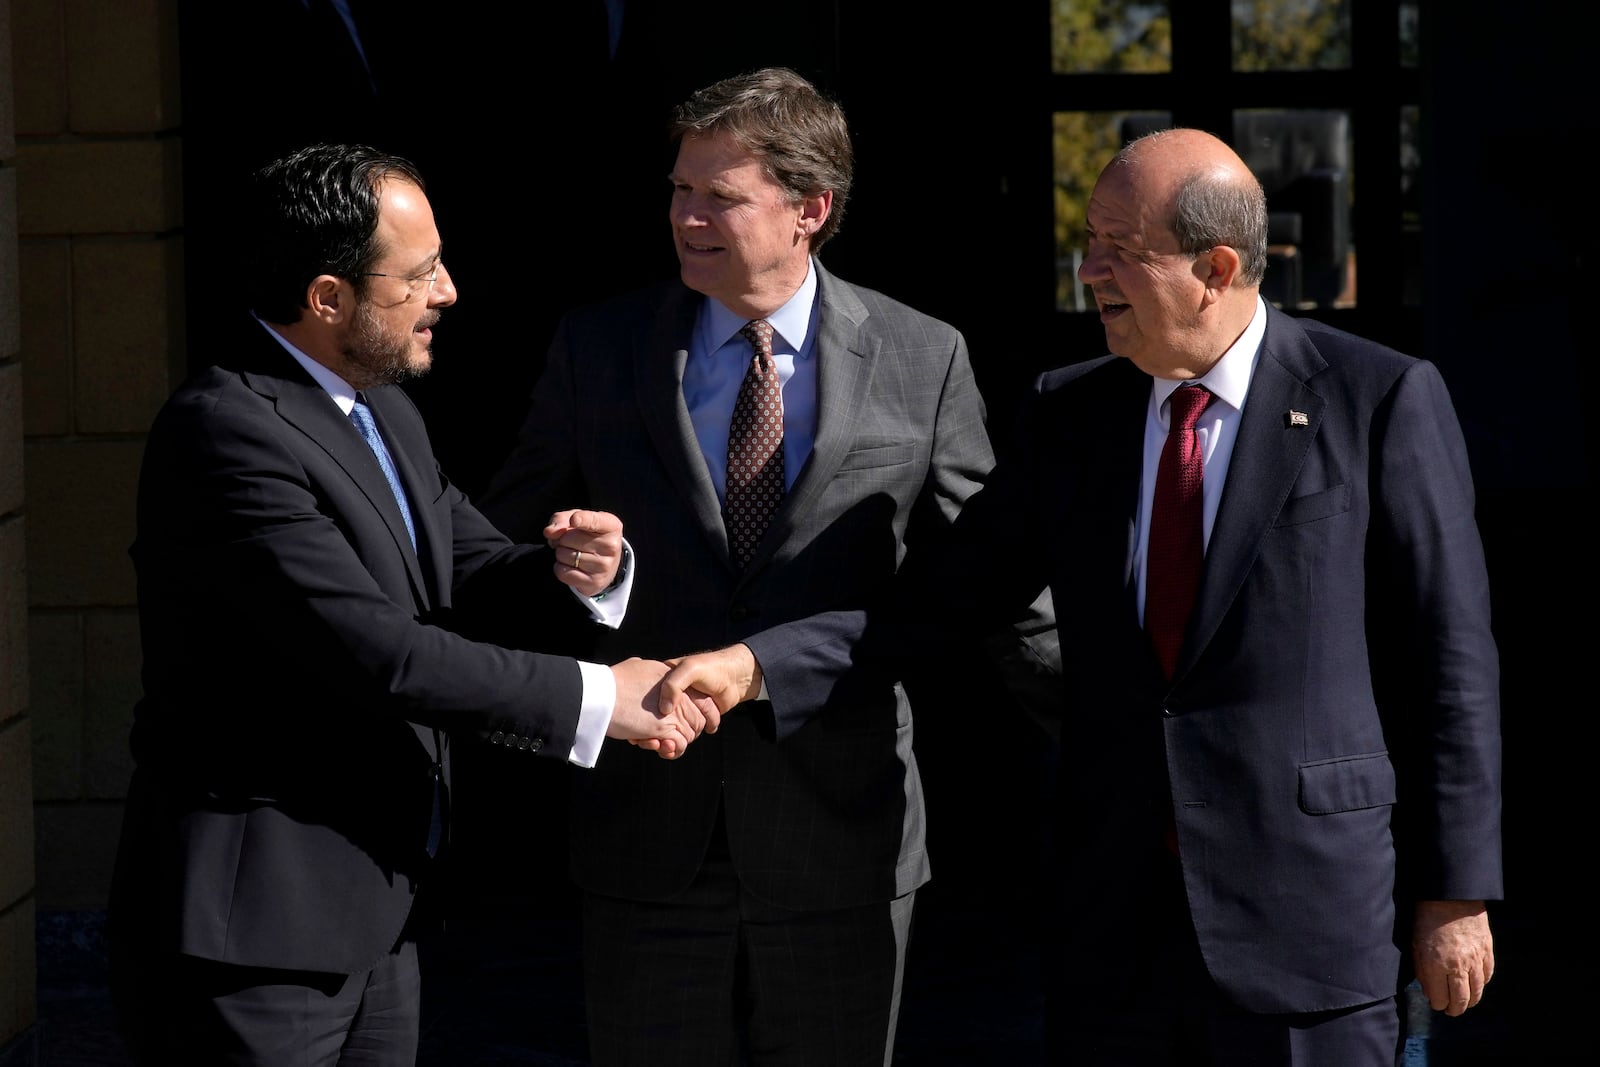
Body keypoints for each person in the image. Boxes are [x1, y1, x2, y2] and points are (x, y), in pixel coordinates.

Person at [675, 126, 1502, 1065]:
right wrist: (754, 667)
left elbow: (1451, 662)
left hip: (1308, 924)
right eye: (1088, 243)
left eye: (1122, 250)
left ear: (1216, 267)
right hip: (1114, 930)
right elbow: (937, 603)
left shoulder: (1378, 398)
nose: (1089, 271)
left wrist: (1456, 895)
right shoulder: (1071, 415)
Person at [477, 66, 1053, 1066]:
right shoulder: (599, 347)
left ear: (809, 209)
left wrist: (1122, 737)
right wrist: (578, 572)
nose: (684, 215)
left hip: (841, 834)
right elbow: (494, 550)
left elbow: (992, 578)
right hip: (645, 828)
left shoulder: (924, 356)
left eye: (718, 195)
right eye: (677, 189)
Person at [105, 142, 709, 1065]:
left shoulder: (380, 407)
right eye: (419, 273)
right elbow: (381, 652)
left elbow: (464, 569)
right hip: (253, 935)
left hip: (377, 910)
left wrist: (576, 571)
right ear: (327, 298)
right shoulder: (226, 432)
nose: (450, 291)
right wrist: (601, 700)